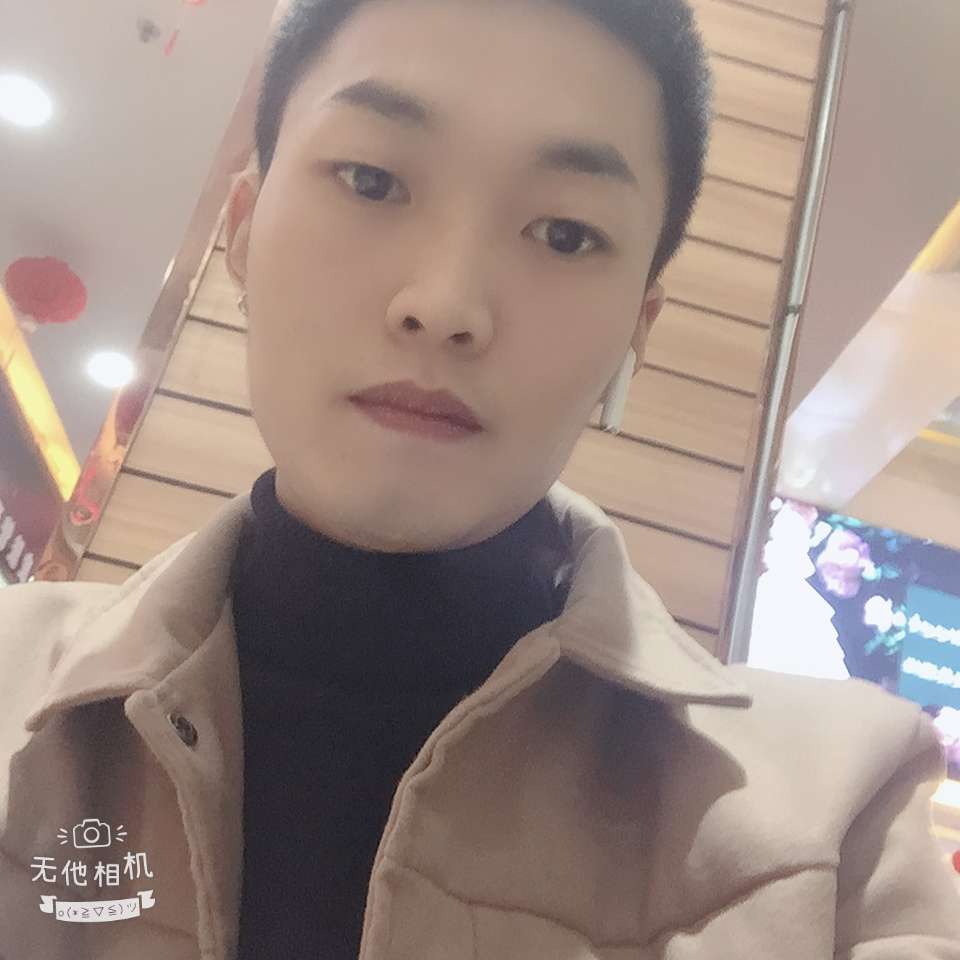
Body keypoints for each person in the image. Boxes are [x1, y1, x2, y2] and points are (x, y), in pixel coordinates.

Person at [1, 0, 958, 956]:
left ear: (636, 331)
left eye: (565, 235)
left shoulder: (837, 827)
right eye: (372, 180)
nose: (446, 303)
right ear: (242, 230)